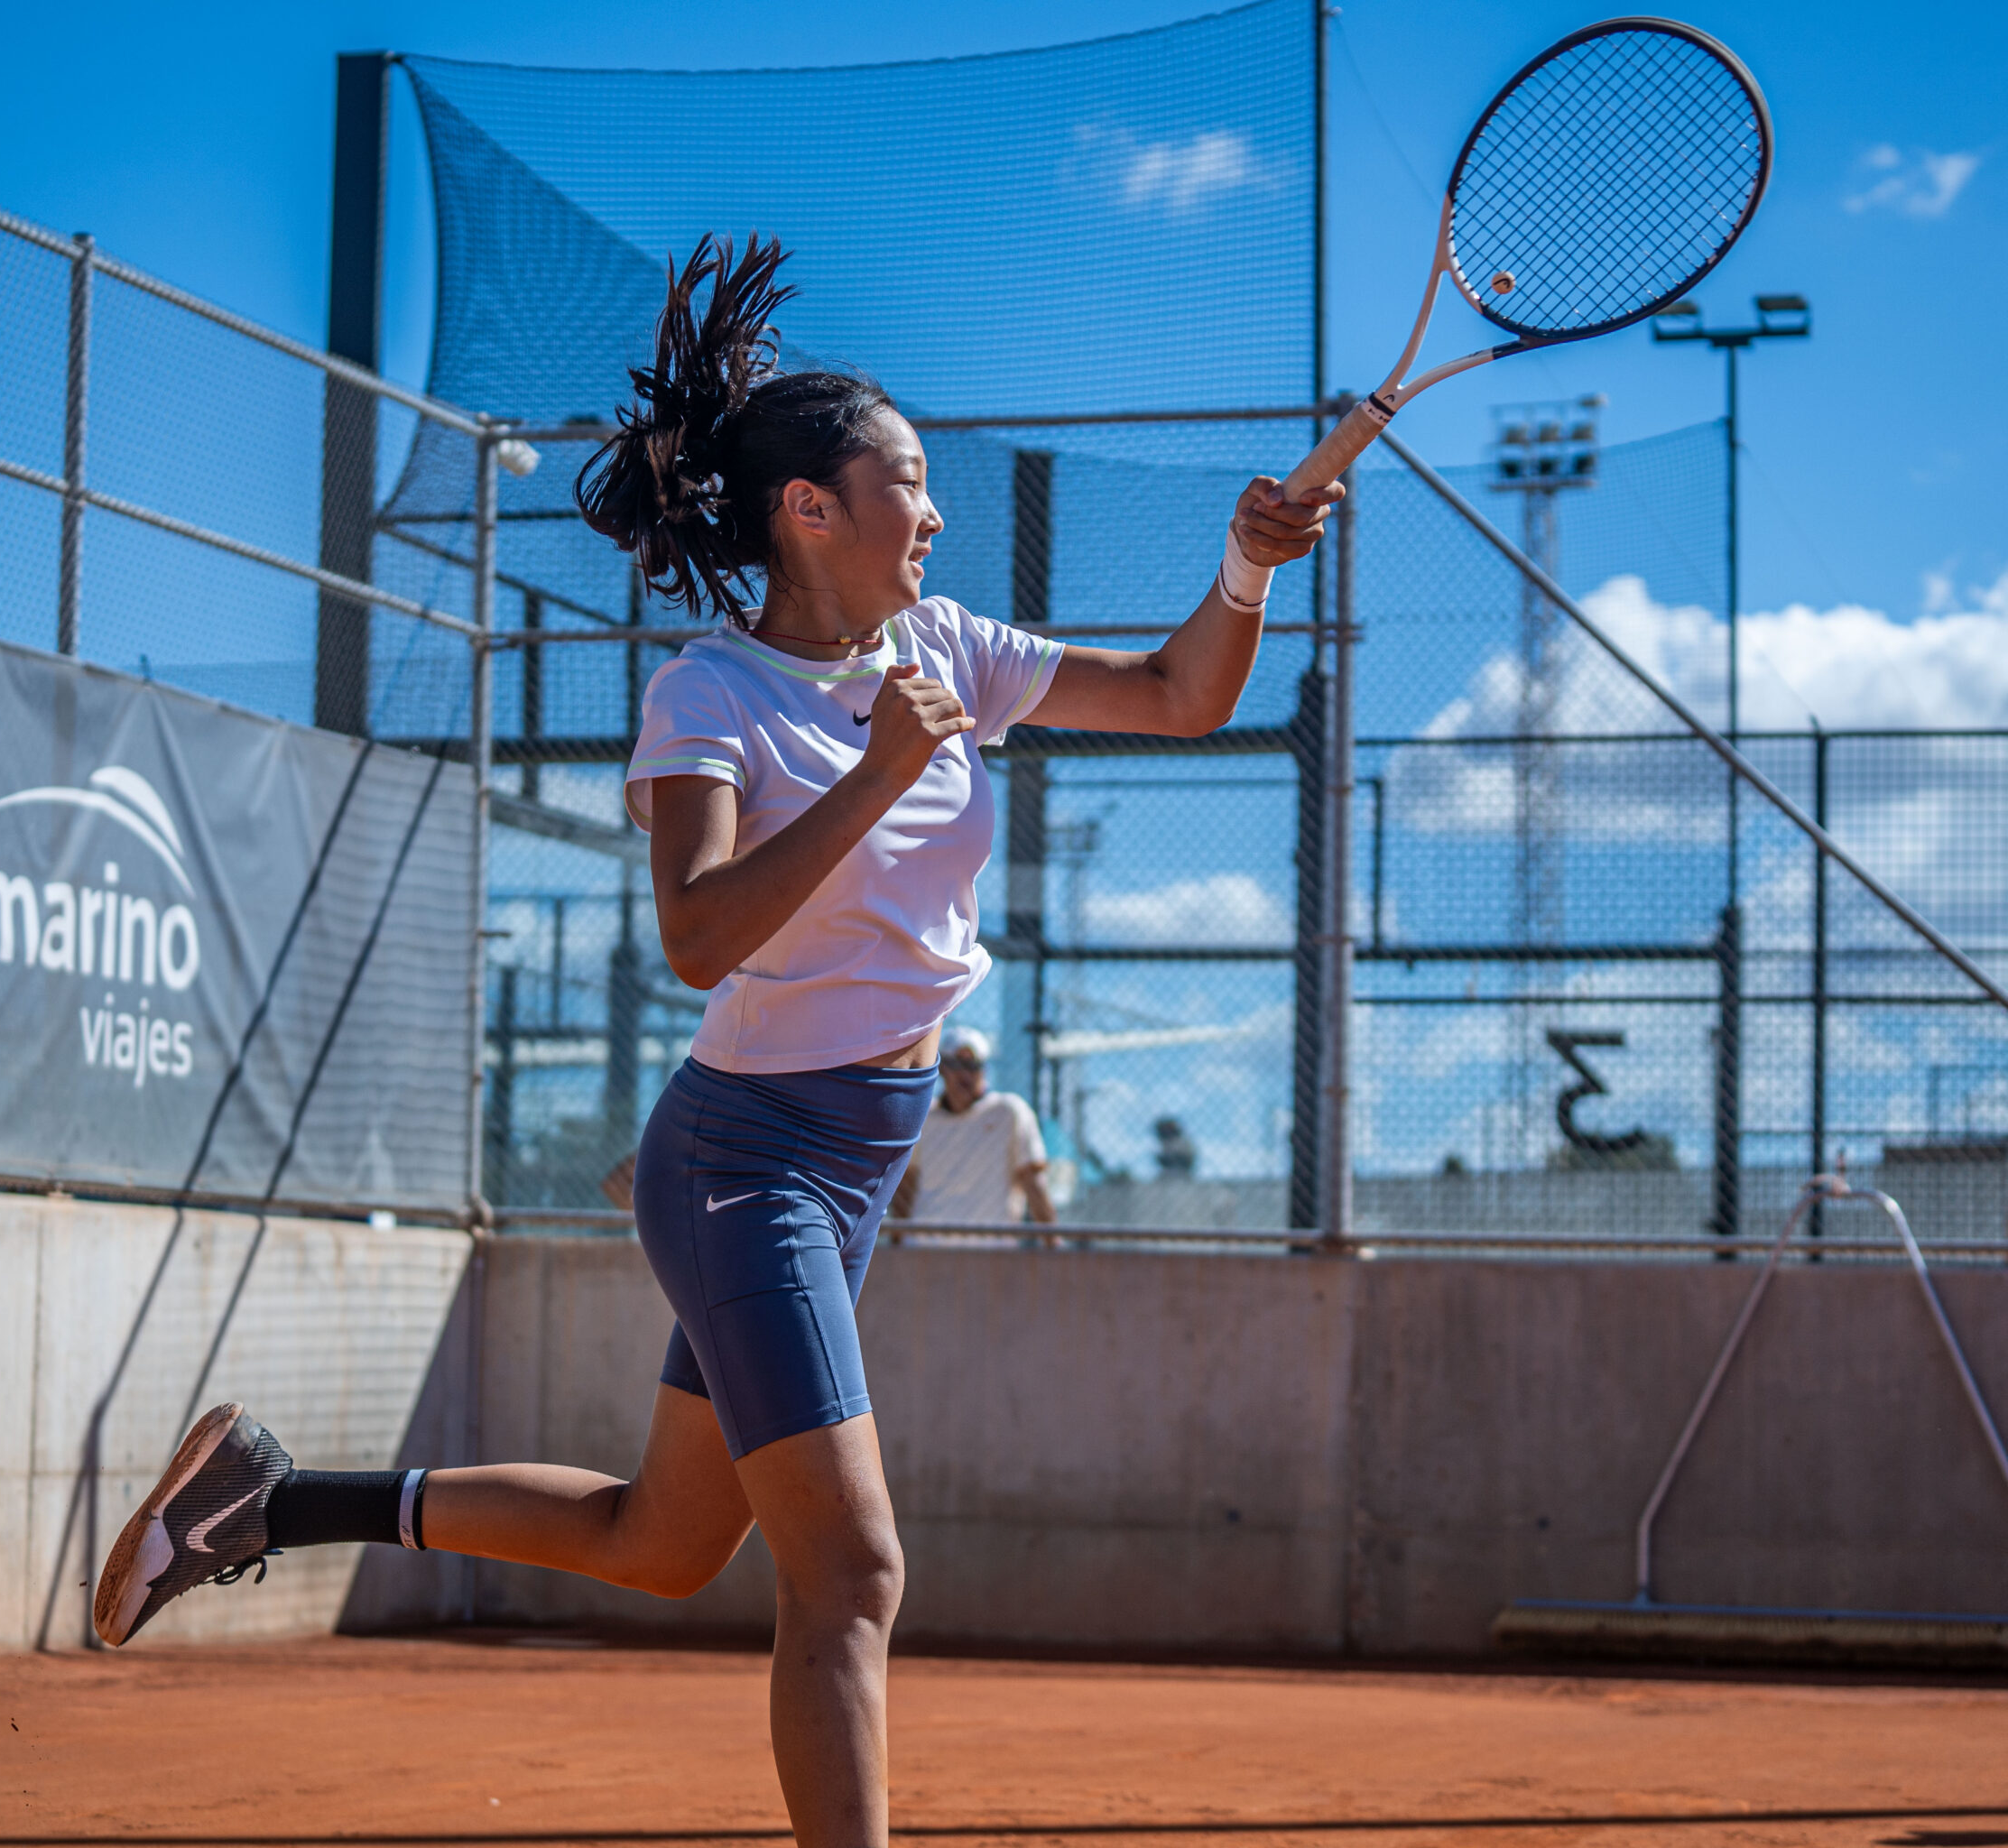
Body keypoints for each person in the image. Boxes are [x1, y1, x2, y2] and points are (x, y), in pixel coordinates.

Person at [92, 236, 1337, 1848]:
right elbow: (695, 937)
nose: (937, 512)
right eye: (909, 482)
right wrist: (879, 774)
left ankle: (272, 1492)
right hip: (747, 1158)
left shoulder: (946, 648)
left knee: (664, 1539)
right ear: (808, 508)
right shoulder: (712, 695)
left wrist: (1243, 569)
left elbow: (1179, 693)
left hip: (857, 1161)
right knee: (854, 1570)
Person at [890, 1026, 1055, 1229]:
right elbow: (905, 1183)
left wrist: (1053, 1243)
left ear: (983, 1069)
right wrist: (899, 1241)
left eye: (972, 1065)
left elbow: (1033, 1180)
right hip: (927, 1247)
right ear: (942, 1069)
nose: (964, 1074)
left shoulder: (1009, 1112)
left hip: (990, 1250)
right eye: (956, 1064)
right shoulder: (921, 1116)